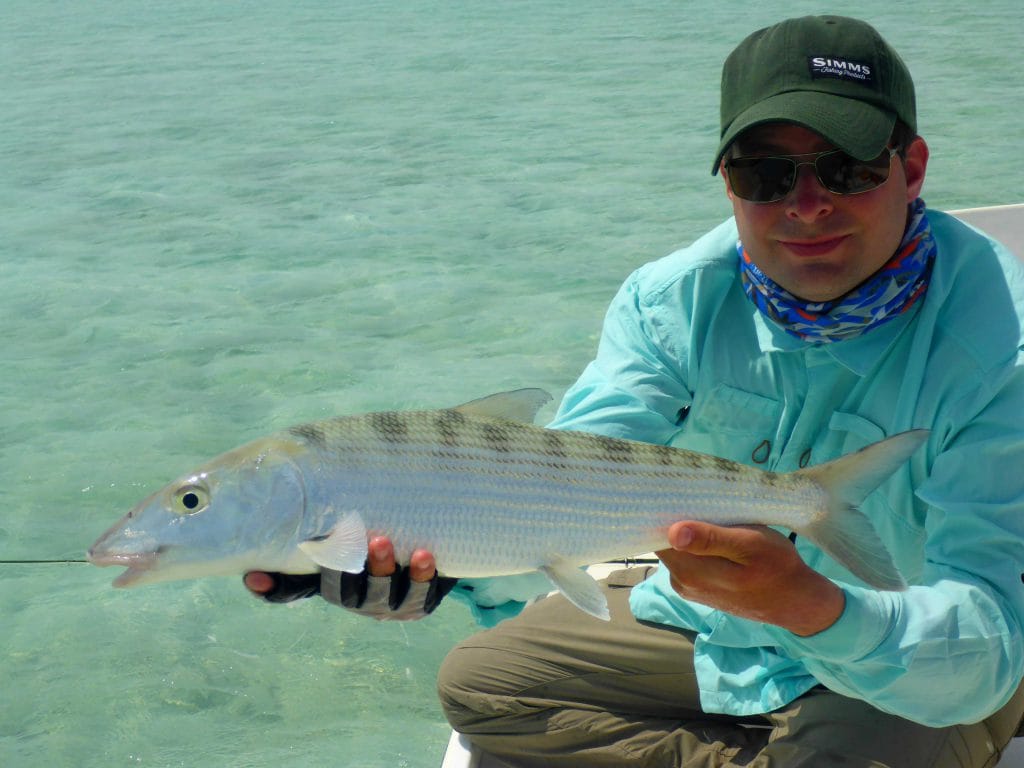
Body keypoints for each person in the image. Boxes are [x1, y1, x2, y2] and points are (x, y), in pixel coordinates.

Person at [247, 15, 1024, 767]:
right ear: (727, 181)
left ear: (912, 168)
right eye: (766, 173)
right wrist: (435, 569)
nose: (807, 204)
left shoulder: (1003, 347)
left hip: (911, 656)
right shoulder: (673, 300)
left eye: (848, 168)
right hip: (718, 624)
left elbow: (986, 643)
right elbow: (552, 485)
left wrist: (813, 606)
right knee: (483, 688)